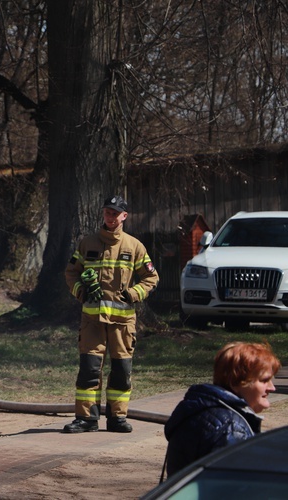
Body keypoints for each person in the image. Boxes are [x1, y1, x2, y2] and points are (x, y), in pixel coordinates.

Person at [62, 195, 159, 434]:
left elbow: (151, 278)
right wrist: (81, 292)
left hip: (122, 324)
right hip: (92, 322)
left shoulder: (134, 246)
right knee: (89, 370)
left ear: (124, 216)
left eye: (115, 213)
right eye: (108, 212)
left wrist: (134, 294)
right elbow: (71, 273)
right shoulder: (88, 244)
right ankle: (86, 419)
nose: (111, 217)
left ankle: (117, 418)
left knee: (121, 371)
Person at [163, 342, 280, 477]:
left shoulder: (200, 409)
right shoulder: (230, 427)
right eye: (264, 380)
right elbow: (233, 488)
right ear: (237, 381)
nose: (272, 388)